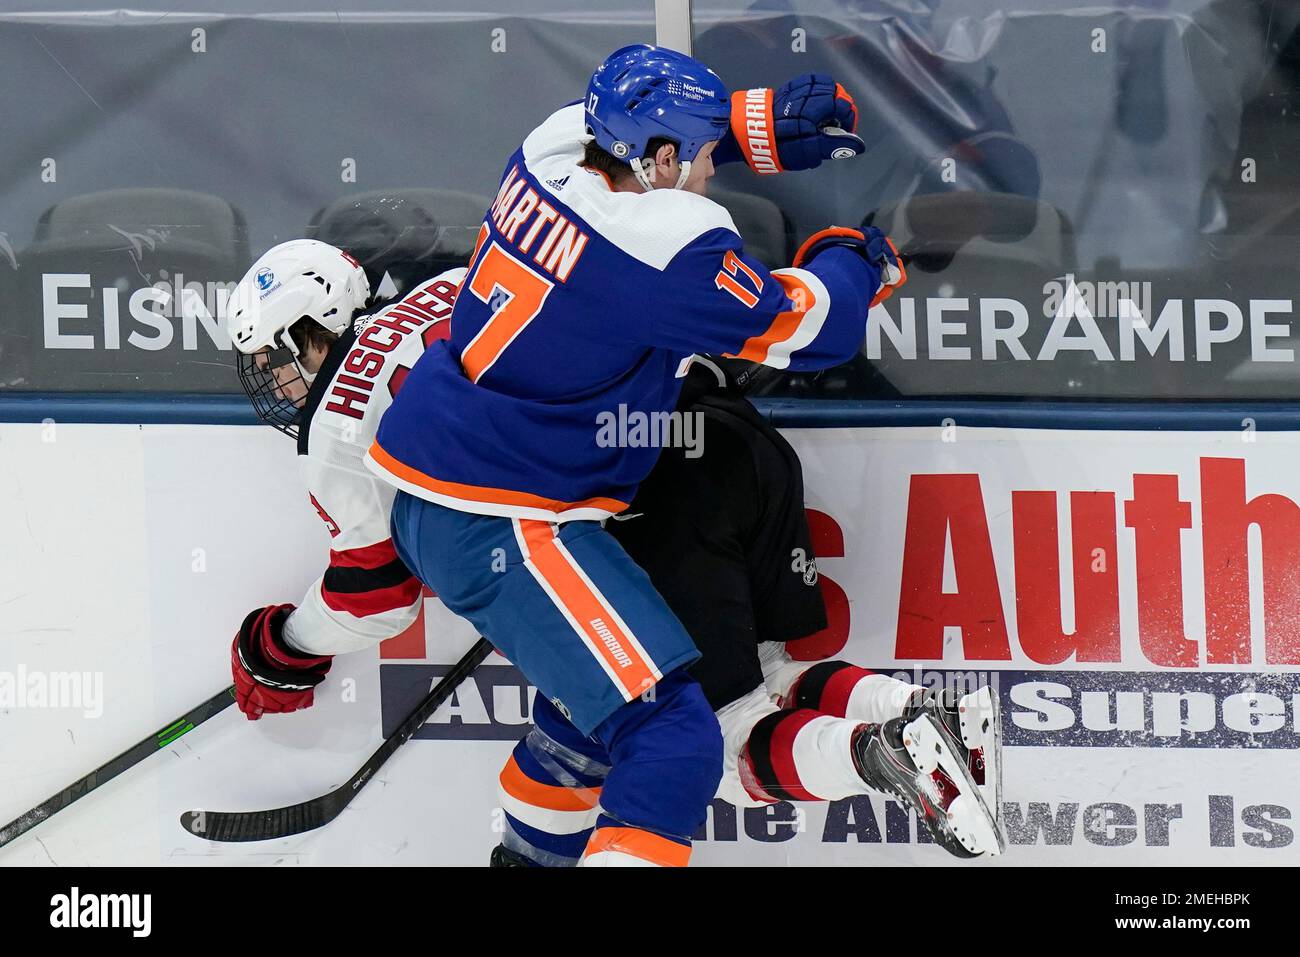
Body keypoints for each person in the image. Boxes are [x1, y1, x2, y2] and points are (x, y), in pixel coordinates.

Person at [365, 44, 997, 866]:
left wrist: (759, 125)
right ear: (661, 159)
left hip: (461, 477)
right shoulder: (665, 244)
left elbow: (666, 146)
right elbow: (804, 328)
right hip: (508, 518)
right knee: (678, 738)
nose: (708, 172)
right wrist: (857, 262)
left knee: (584, 732)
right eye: (698, 157)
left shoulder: (552, 146)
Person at [491, 356, 1003, 865]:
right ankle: (922, 710)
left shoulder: (488, 333)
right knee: (769, 668)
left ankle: (881, 755)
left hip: (656, 466)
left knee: (725, 733)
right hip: (743, 438)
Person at [222, 238, 463, 719]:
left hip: (587, 528)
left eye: (275, 360)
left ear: (303, 332)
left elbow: (376, 599)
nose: (278, 386)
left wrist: (284, 645)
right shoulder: (447, 284)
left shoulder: (332, 427)